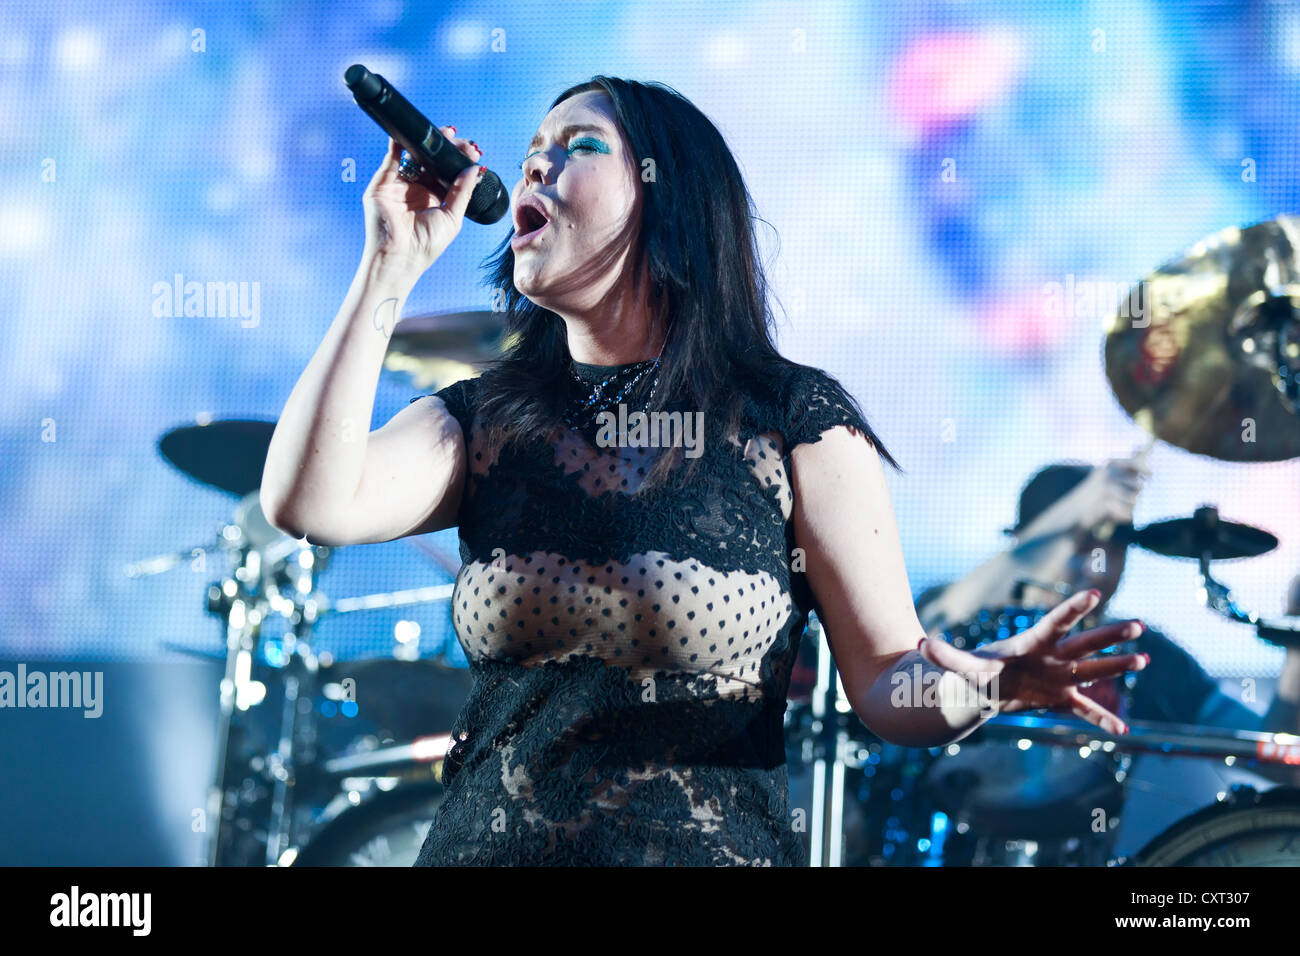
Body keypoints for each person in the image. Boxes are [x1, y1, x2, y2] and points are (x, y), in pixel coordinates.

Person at [259, 77, 1147, 866]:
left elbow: (886, 682)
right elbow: (307, 499)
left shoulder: (791, 420)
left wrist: (989, 682)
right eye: (529, 154)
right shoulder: (488, 418)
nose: (534, 168)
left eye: (577, 148)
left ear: (667, 195)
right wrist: (389, 261)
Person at [915, 458, 1300, 746]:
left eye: (1114, 547)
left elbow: (1277, 759)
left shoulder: (1140, 651)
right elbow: (930, 626)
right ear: (1024, 542)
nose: (1098, 570)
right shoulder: (961, 618)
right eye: (1080, 541)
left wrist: (1296, 647)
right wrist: (1076, 508)